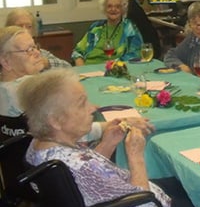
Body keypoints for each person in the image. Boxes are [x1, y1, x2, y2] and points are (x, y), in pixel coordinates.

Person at [17, 68, 200, 207]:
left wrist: (108, 144)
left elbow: (89, 184)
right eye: (82, 103)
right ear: (55, 120)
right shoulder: (78, 165)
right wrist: (135, 156)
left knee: (187, 184)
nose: (92, 108)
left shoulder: (39, 146)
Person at [0, 26, 152, 141]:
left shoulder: (6, 88)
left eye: (35, 47)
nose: (37, 53)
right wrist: (122, 124)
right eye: (27, 50)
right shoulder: (30, 90)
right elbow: (72, 132)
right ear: (5, 61)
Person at [72, 0, 144, 65]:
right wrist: (82, 68)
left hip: (113, 69)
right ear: (104, 8)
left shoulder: (129, 28)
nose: (113, 9)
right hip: (88, 69)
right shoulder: (96, 27)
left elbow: (136, 54)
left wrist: (112, 65)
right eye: (109, 6)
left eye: (117, 6)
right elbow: (78, 51)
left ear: (123, 9)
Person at [4, 7, 70, 69]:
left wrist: (46, 63)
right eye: (19, 26)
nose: (25, 30)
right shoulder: (4, 54)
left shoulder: (39, 52)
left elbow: (67, 67)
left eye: (29, 26)